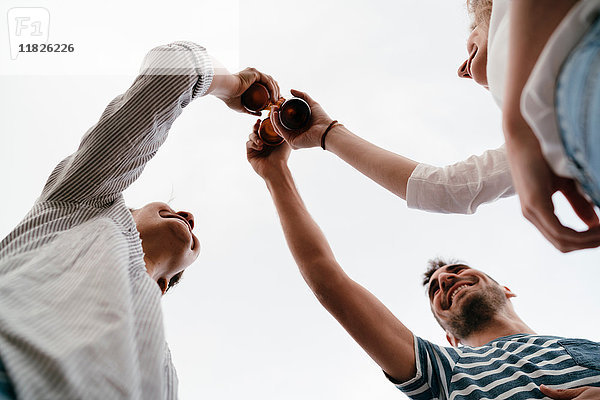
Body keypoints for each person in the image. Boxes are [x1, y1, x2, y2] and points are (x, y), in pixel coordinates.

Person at [0, 41, 279, 399]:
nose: (189, 217)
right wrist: (234, 86)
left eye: (189, 223)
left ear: (164, 285)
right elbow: (173, 70)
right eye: (176, 209)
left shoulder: (164, 376)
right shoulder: (82, 202)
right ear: (127, 211)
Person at [246, 132, 600, 399]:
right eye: (435, 289)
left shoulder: (590, 346)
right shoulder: (443, 372)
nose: (446, 278)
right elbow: (326, 277)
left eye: (457, 270)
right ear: (449, 336)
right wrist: (276, 174)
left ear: (506, 289)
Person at [266, 0, 600, 253]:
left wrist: (516, 126)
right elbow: (447, 188)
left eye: (471, 45)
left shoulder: (525, 122)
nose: (462, 71)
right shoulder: (534, 133)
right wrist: (327, 133)